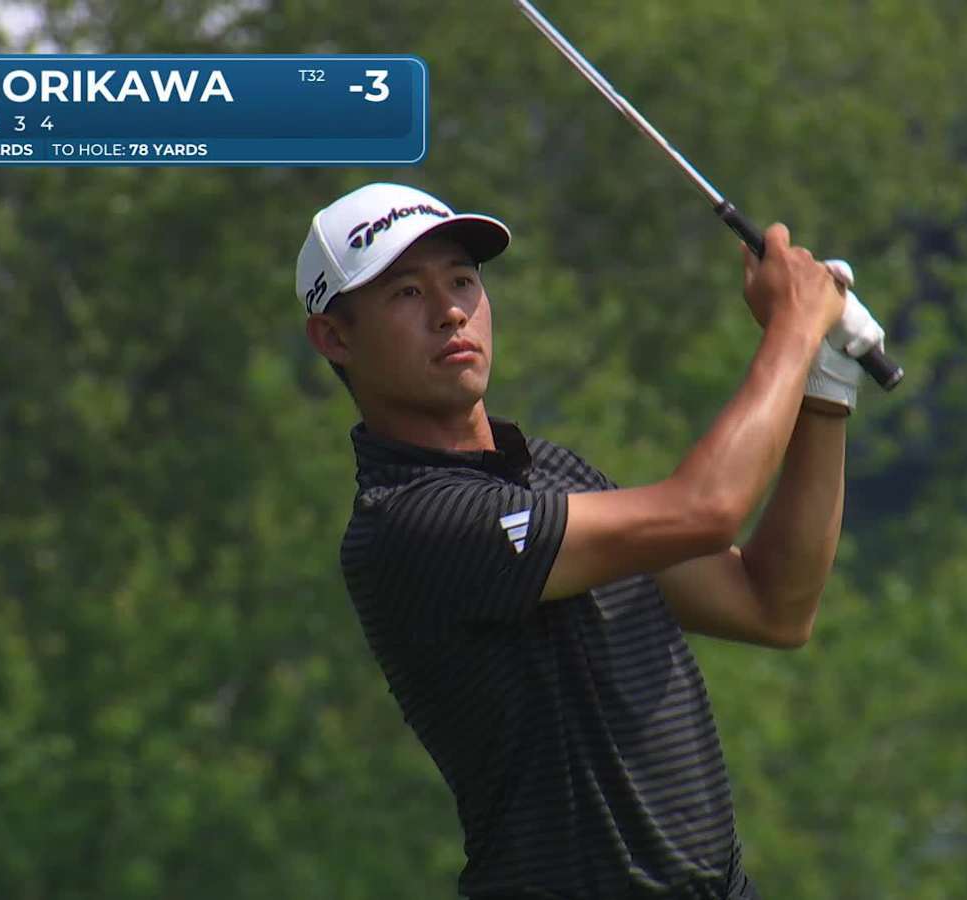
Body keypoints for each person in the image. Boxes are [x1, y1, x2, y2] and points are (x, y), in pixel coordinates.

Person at [294, 182, 884, 899]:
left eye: (462, 281)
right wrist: (792, 327)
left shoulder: (553, 474)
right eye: (405, 294)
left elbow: (772, 605)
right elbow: (708, 508)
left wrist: (822, 387)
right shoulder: (410, 523)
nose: (451, 311)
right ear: (335, 337)